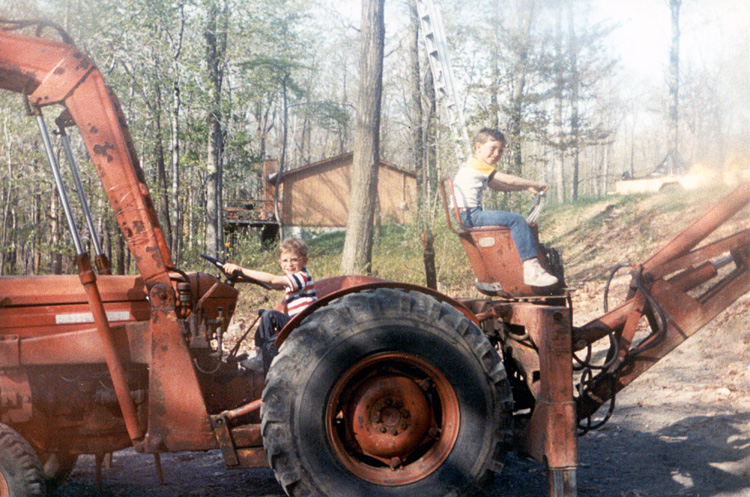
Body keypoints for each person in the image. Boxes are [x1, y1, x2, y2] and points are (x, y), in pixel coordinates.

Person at [453, 127, 558, 287]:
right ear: (478, 147)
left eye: (500, 151)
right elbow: (508, 180)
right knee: (516, 220)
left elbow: (500, 186)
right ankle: (532, 271)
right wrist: (534, 183)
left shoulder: (474, 167)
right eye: (492, 148)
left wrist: (525, 188)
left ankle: (499, 272)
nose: (496, 154)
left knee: (513, 222)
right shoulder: (477, 165)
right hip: (471, 215)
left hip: (466, 214)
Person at [222, 238, 317, 373]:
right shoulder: (292, 280)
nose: (289, 264)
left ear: (305, 261)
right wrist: (239, 277)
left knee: (270, 342)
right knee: (268, 315)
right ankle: (261, 355)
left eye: (294, 260)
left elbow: (272, 279)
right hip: (296, 320)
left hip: (304, 322)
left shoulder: (302, 277)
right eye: (285, 260)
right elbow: (270, 284)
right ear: (280, 263)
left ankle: (268, 369)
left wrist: (241, 269)